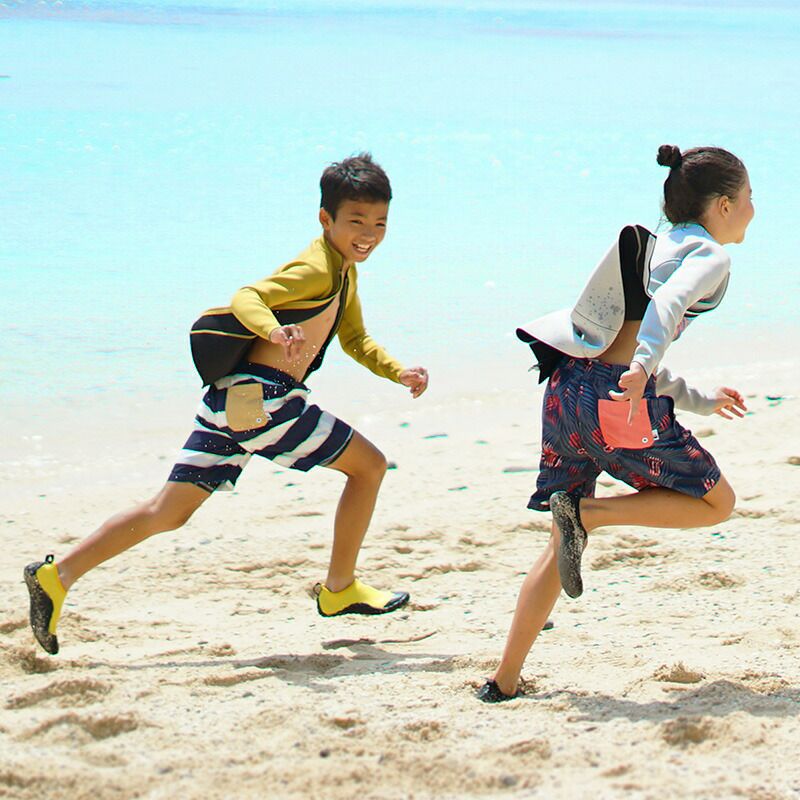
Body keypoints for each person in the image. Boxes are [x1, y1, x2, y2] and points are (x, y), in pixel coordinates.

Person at [24, 153, 429, 656]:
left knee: (166, 511)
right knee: (368, 468)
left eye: (380, 223)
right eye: (356, 221)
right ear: (326, 219)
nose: (368, 234)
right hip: (265, 401)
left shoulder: (343, 273)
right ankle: (340, 588)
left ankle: (56, 577)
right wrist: (273, 330)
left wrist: (397, 371)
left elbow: (354, 339)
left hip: (231, 402)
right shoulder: (315, 269)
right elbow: (246, 297)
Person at [478, 144, 754, 702]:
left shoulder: (657, 246)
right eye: (749, 198)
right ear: (723, 205)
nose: (753, 209)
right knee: (717, 503)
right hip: (615, 403)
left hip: (567, 390)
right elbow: (667, 308)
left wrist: (697, 398)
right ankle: (593, 514)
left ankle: (503, 681)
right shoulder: (709, 256)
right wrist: (644, 367)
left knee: (561, 543)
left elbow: (621, 342)